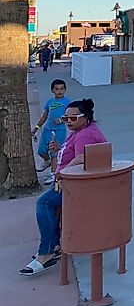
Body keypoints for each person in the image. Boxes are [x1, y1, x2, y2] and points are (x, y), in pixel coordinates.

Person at [20, 99, 107, 277]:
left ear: (86, 117)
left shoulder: (85, 134)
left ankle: (47, 252)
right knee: (48, 203)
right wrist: (60, 150)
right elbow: (75, 154)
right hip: (70, 183)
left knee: (44, 203)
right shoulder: (80, 130)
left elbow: (82, 158)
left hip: (78, 186)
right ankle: (54, 246)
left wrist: (62, 172)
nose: (68, 121)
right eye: (65, 118)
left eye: (72, 118)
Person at [31, 79, 71, 183]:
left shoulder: (67, 102)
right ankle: (47, 161)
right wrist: (36, 128)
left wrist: (62, 119)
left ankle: (53, 175)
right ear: (52, 90)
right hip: (47, 129)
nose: (59, 91)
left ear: (65, 90)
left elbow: (70, 116)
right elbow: (45, 116)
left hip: (59, 131)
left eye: (62, 89)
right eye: (57, 89)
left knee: (54, 152)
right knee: (41, 151)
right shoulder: (50, 102)